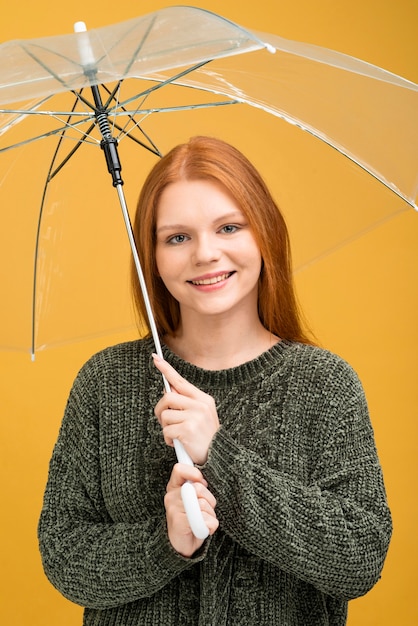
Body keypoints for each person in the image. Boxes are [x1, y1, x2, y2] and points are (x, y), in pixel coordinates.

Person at [38, 136, 392, 625]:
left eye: (228, 227)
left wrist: (218, 454)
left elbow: (359, 559)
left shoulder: (324, 384)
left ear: (263, 234)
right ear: (153, 254)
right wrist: (166, 541)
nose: (205, 254)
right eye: (177, 237)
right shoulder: (106, 382)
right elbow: (64, 557)